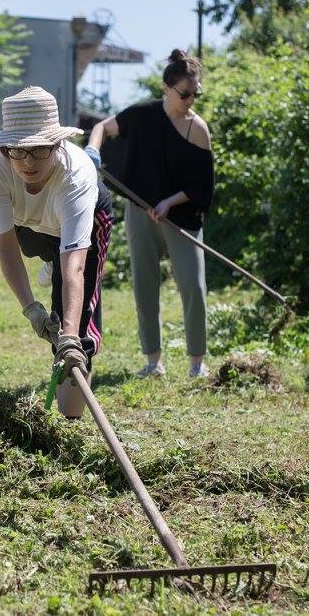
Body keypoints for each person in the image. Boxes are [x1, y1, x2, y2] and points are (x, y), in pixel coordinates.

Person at [0, 86, 113, 417]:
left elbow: (76, 268)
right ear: (6, 148)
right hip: (31, 231)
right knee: (37, 252)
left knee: (75, 333)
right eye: (18, 151)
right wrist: (30, 309)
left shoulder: (76, 174)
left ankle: (71, 421)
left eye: (39, 150)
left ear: (56, 143)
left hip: (81, 228)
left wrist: (67, 336)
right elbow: (7, 247)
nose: (27, 162)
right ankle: (50, 265)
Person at [85, 49, 215, 379]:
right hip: (139, 211)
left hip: (180, 217)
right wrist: (92, 151)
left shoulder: (197, 129)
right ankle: (153, 360)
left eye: (195, 93)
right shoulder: (142, 115)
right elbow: (102, 127)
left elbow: (202, 185)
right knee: (145, 285)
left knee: (193, 286)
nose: (190, 99)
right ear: (166, 88)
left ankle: (197, 362)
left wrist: (169, 202)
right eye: (184, 93)